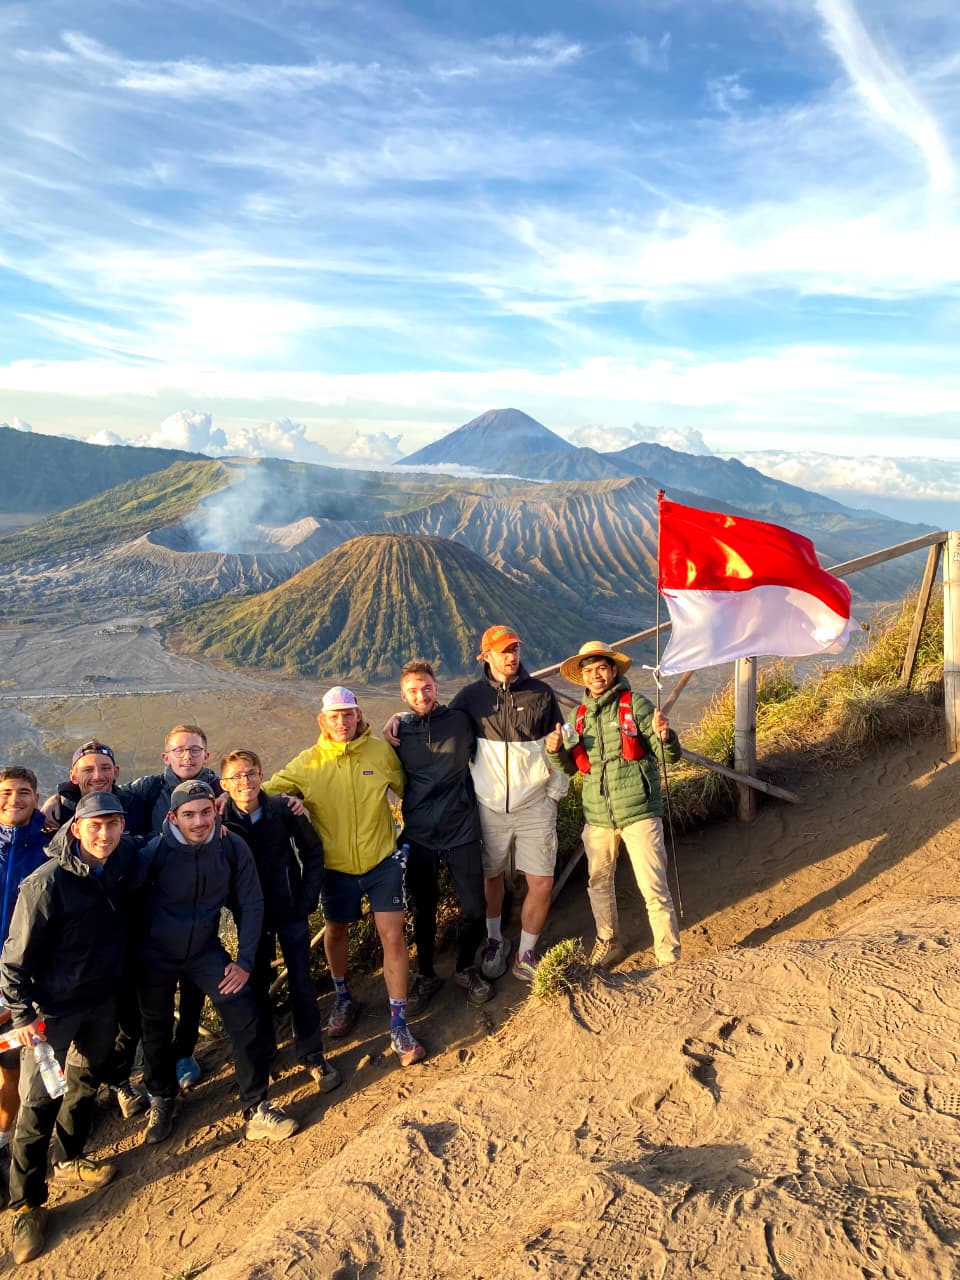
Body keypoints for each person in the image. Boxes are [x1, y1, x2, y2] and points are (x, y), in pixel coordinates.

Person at [1, 793, 139, 1265]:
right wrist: (22, 1018)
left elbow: (170, 837)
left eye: (113, 825)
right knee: (37, 1104)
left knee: (85, 1079)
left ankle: (70, 1157)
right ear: (75, 828)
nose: (105, 834)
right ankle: (25, 1204)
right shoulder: (45, 884)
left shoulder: (119, 863)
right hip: (52, 1011)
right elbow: (14, 961)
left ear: (122, 826)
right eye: (95, 826)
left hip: (100, 1000)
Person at [387, 626, 566, 984]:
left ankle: (526, 952)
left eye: (514, 648)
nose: (511, 656)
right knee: (491, 877)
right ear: (485, 657)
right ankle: (495, 940)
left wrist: (554, 789)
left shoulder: (541, 694)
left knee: (542, 882)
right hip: (488, 808)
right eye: (503, 651)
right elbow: (432, 723)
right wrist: (399, 719)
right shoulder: (469, 699)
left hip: (534, 805)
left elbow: (561, 743)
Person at [263, 687, 426, 1067]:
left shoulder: (380, 752)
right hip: (335, 868)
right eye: (334, 716)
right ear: (323, 720)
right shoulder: (308, 763)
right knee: (336, 931)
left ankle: (398, 1023)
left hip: (382, 861)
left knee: (393, 935)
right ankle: (343, 996)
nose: (342, 722)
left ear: (359, 715)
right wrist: (226, 797)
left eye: (348, 714)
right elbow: (266, 791)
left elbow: (407, 789)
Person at [136, 781, 297, 1145]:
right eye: (189, 815)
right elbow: (124, 897)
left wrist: (243, 962)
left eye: (205, 812)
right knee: (155, 1028)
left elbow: (253, 903)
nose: (199, 822)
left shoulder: (231, 846)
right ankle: (162, 1097)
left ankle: (256, 1107)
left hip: (204, 951)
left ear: (216, 811)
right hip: (156, 954)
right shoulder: (154, 852)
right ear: (172, 817)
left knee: (244, 1012)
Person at [547, 640, 683, 968]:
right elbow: (570, 766)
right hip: (597, 816)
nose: (596, 675)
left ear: (612, 671)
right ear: (582, 678)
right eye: (589, 671)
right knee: (598, 882)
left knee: (653, 884)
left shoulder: (636, 705)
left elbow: (669, 758)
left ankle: (669, 957)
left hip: (639, 811)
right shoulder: (575, 717)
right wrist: (553, 750)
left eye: (601, 669)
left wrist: (665, 737)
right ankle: (609, 941)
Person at [218, 749, 340, 1093]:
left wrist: (306, 898)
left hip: (289, 909)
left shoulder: (284, 809)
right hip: (249, 917)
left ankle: (313, 1053)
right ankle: (267, 1051)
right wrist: (233, 904)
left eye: (251, 773)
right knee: (256, 985)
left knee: (302, 982)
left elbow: (313, 852)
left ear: (261, 775)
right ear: (225, 783)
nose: (245, 782)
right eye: (237, 776)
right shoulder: (219, 821)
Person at [123, 724, 221, 1092]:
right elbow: (105, 797)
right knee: (156, 997)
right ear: (166, 757)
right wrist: (64, 797)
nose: (187, 756)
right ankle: (156, 1069)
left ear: (205, 755)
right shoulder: (149, 789)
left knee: (194, 989)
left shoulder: (221, 789)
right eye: (180, 750)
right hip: (156, 914)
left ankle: (184, 1052)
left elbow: (253, 795)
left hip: (202, 909)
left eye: (194, 750)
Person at [392, 661, 492, 1008]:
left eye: (427, 688)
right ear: (403, 695)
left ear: (437, 687)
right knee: (423, 909)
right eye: (414, 691)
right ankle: (426, 974)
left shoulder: (460, 722)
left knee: (475, 907)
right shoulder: (398, 732)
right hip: (419, 833)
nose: (422, 695)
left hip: (461, 827)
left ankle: (466, 967)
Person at [0, 769, 50, 1203]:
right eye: (5, 793)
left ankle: (5, 1146)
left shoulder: (48, 843)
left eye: (23, 793)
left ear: (37, 797)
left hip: (22, 978)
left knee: (11, 1067)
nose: (14, 799)